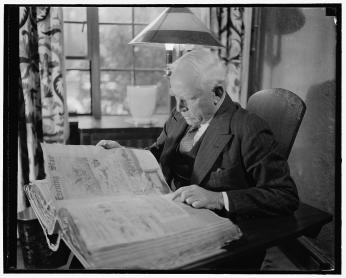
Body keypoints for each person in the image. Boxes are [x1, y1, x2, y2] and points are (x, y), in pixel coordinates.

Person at [97, 48, 299, 270]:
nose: (179, 107)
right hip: (172, 216)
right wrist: (125, 154)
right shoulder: (180, 115)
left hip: (222, 241)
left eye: (188, 99)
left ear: (217, 93)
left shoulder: (249, 129)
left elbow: (285, 195)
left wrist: (218, 198)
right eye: (176, 98)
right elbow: (157, 152)